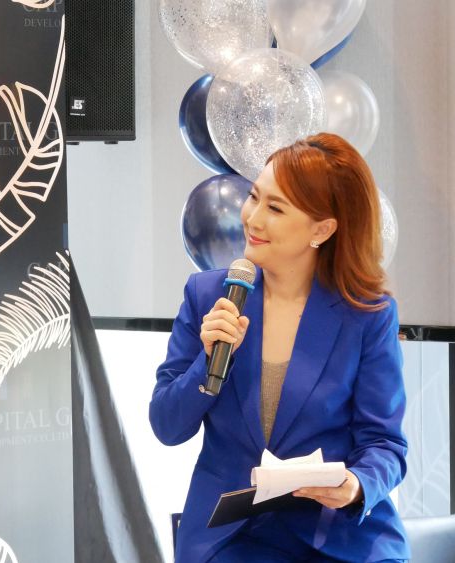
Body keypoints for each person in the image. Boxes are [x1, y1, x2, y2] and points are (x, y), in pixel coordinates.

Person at [150, 133, 410, 562]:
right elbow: (167, 426)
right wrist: (207, 362)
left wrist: (357, 485)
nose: (252, 219)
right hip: (232, 537)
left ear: (322, 229)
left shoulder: (366, 314)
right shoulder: (207, 295)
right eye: (254, 197)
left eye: (275, 208)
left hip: (339, 535)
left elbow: (384, 442)